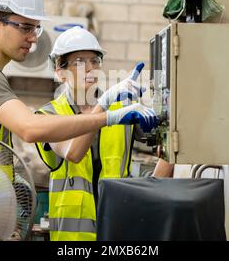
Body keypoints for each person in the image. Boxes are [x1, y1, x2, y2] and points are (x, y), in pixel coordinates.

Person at [0, 0, 157, 189]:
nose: (33, 38)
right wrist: (109, 115)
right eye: (25, 27)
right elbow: (30, 128)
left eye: (36, 28)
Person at [35, 26, 152, 241]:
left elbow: (168, 148)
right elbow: (73, 153)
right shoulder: (48, 115)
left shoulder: (121, 108)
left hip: (118, 232)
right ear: (60, 72)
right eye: (79, 62)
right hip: (73, 240)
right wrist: (104, 104)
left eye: (95, 61)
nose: (90, 68)